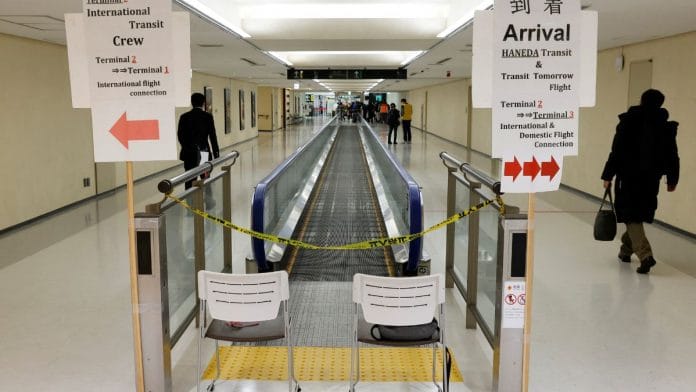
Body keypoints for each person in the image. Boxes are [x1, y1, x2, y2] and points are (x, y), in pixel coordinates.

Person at [601, 89, 680, 274]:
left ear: (642, 100)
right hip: (651, 179)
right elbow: (672, 155)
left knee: (631, 215)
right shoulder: (664, 125)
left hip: (628, 177)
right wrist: (672, 178)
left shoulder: (629, 121)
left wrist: (608, 175)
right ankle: (625, 251)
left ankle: (646, 256)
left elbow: (617, 150)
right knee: (637, 214)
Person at [178, 92, 220, 189]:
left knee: (189, 179)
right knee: (205, 177)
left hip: (189, 153)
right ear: (203, 103)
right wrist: (216, 153)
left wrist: (187, 147)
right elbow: (212, 136)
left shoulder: (184, 117)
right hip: (204, 152)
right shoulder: (207, 117)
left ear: (191, 102)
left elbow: (180, 136)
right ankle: (208, 199)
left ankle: (189, 201)